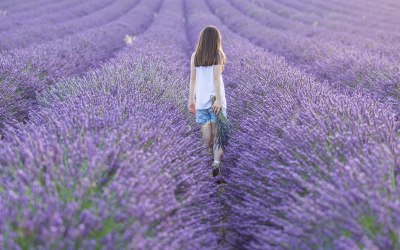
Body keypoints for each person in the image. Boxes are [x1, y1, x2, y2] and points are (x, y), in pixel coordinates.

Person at [187, 25, 227, 177]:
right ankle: (216, 163)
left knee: (206, 138)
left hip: (202, 102)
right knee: (218, 136)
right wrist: (217, 100)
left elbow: (192, 80)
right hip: (216, 102)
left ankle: (203, 168)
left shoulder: (195, 56)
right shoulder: (218, 55)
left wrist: (191, 99)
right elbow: (216, 79)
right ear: (216, 40)